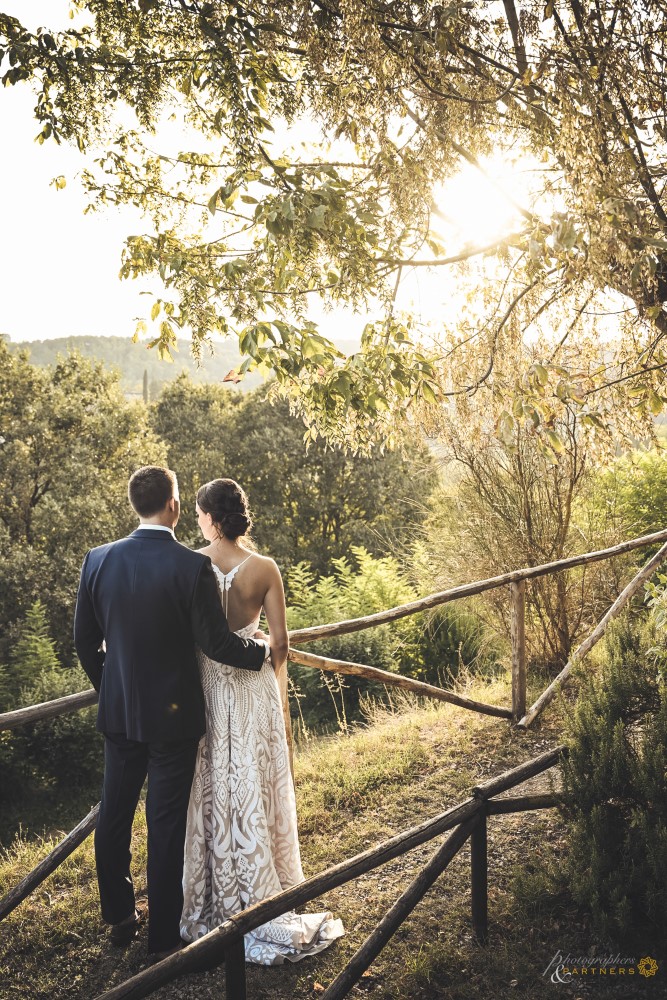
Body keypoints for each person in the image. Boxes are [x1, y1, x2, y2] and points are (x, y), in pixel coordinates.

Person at [74, 466, 269, 960]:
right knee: (164, 826)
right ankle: (162, 942)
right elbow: (217, 644)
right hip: (175, 721)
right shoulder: (190, 567)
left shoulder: (96, 560)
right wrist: (260, 653)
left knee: (114, 815)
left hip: (120, 716)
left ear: (135, 505)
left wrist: (112, 688)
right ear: (175, 506)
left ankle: (119, 917)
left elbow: (83, 643)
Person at [180, 478, 344, 964]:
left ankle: (214, 892)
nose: (196, 523)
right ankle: (263, 888)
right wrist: (276, 695)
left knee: (211, 782)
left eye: (198, 514)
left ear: (211, 518)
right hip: (252, 691)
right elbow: (280, 643)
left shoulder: (192, 565)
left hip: (206, 689)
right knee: (252, 781)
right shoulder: (265, 568)